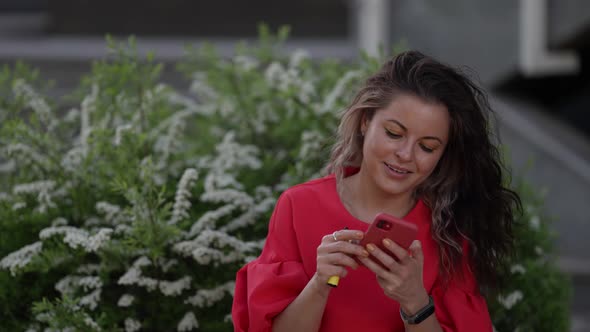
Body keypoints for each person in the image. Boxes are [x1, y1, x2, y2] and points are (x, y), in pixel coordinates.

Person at [232, 50, 522, 332]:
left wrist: (414, 300)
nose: (405, 154)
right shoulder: (298, 206)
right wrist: (320, 284)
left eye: (427, 146)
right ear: (365, 122)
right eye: (394, 133)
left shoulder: (449, 231)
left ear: (443, 154)